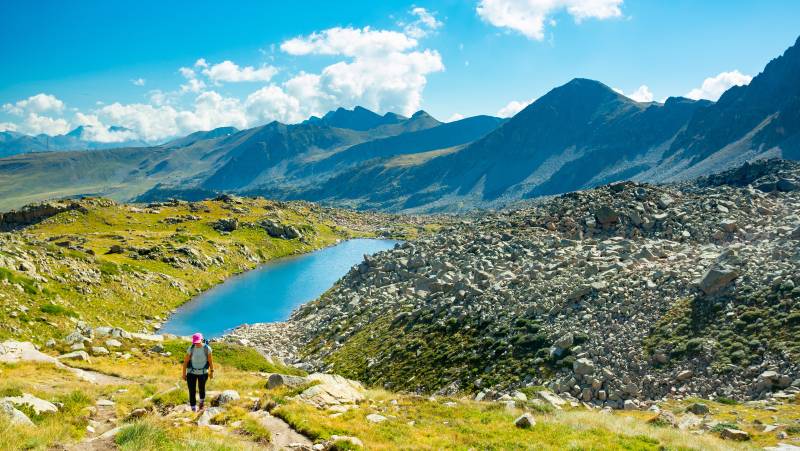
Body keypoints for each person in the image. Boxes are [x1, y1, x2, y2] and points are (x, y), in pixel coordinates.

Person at [182, 332, 214, 412]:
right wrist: (183, 374)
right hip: (191, 373)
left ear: (202, 340)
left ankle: (201, 404)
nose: (196, 344)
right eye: (195, 342)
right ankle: (193, 408)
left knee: (201, 388)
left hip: (203, 373)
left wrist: (212, 372)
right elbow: (185, 362)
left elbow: (210, 361)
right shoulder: (191, 348)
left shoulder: (207, 348)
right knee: (191, 390)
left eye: (198, 342)